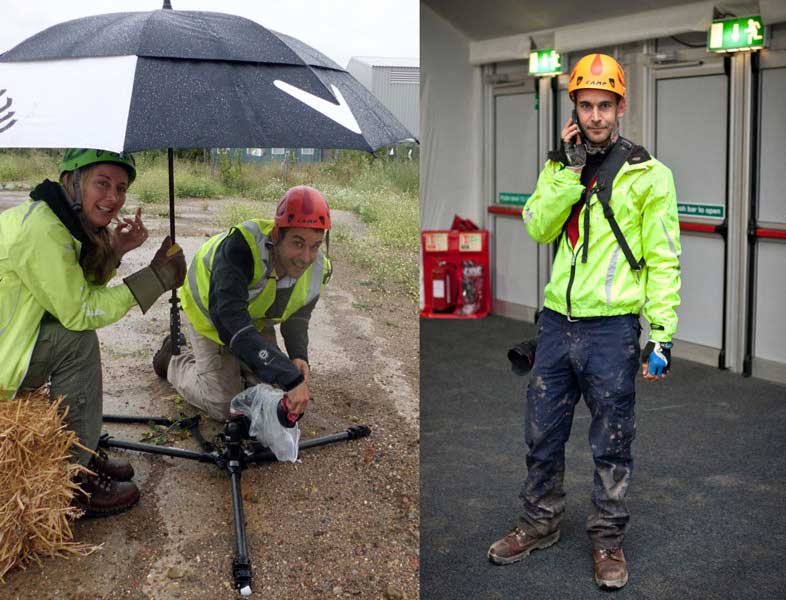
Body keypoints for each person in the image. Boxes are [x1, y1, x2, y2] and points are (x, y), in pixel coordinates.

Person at [487, 53, 681, 589]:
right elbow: (537, 227)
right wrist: (568, 173)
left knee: (612, 440)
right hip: (556, 323)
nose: (595, 115)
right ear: (574, 106)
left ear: (622, 107)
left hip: (612, 328)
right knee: (542, 433)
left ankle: (608, 539)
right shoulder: (560, 165)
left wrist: (661, 334)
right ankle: (539, 522)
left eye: (605, 105)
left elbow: (664, 259)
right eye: (586, 104)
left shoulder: (649, 174)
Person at [0, 148, 187, 517]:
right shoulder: (44, 231)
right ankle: (75, 477)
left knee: (72, 336)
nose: (113, 198)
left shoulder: (53, 218)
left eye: (121, 188)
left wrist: (116, 248)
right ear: (71, 180)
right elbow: (80, 310)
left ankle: (81, 447)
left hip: (12, 338)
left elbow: (73, 286)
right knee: (76, 342)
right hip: (6, 356)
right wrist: (154, 281)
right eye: (102, 184)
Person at [153, 185, 332, 422]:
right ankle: (173, 360)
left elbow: (298, 316)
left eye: (315, 245)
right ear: (277, 235)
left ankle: (234, 370)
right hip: (209, 315)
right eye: (298, 243)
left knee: (275, 393)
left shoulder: (319, 268)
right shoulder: (241, 248)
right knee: (225, 405)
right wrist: (290, 375)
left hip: (252, 319)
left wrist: (298, 356)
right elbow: (231, 324)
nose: (306, 257)